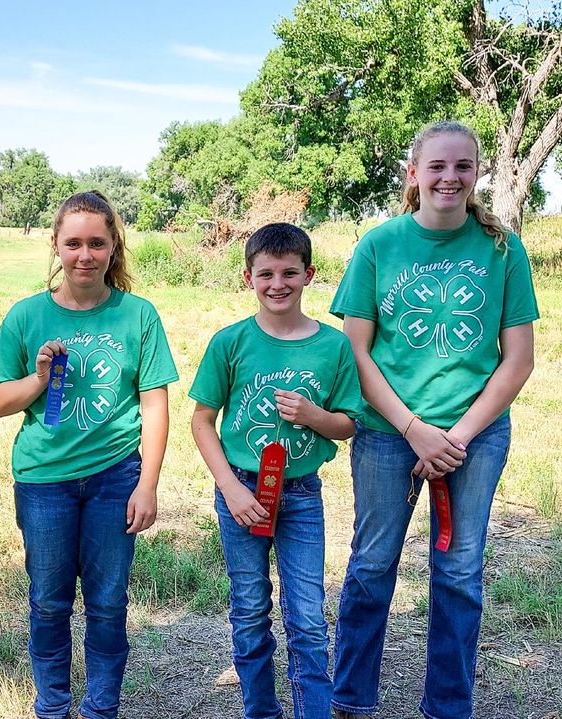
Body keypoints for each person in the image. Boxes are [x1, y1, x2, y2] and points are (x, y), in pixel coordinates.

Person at [329, 121, 539, 719]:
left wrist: (458, 436)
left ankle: (448, 705)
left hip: (474, 437)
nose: (450, 178)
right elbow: (356, 353)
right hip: (387, 434)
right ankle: (351, 699)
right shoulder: (379, 244)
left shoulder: (502, 249)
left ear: (477, 174)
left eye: (463, 167)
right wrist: (413, 428)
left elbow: (517, 360)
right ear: (413, 174)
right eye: (438, 167)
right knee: (372, 565)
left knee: (459, 571)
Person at [0, 191, 178, 719]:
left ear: (114, 247)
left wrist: (148, 483)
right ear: (55, 245)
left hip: (117, 476)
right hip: (44, 480)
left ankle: (100, 707)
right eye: (73, 244)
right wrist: (39, 378)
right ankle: (52, 705)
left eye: (97, 243)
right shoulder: (27, 316)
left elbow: (155, 404)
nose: (85, 255)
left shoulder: (138, 315)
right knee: (48, 601)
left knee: (109, 603)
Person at [190, 223, 362, 719]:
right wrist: (230, 488)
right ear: (248, 278)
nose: (278, 283)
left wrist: (313, 416)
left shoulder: (333, 346)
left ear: (309, 274)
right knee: (248, 611)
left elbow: (348, 424)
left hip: (302, 494)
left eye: (290, 272)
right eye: (266, 273)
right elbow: (202, 421)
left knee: (307, 615)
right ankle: (260, 710)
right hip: (241, 492)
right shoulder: (230, 342)